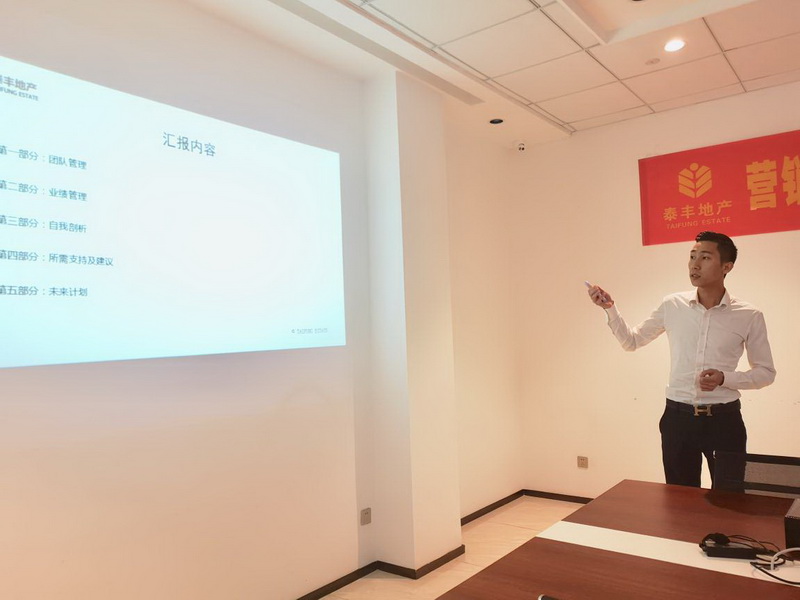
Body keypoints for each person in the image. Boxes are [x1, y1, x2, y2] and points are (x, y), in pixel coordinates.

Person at [587, 231, 776, 487]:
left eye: (705, 257)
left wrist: (724, 378)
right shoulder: (672, 305)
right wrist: (610, 309)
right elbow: (631, 341)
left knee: (730, 497)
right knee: (680, 500)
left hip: (725, 421)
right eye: (692, 256)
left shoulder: (749, 315)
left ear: (726, 267)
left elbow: (766, 373)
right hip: (678, 419)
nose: (694, 264)